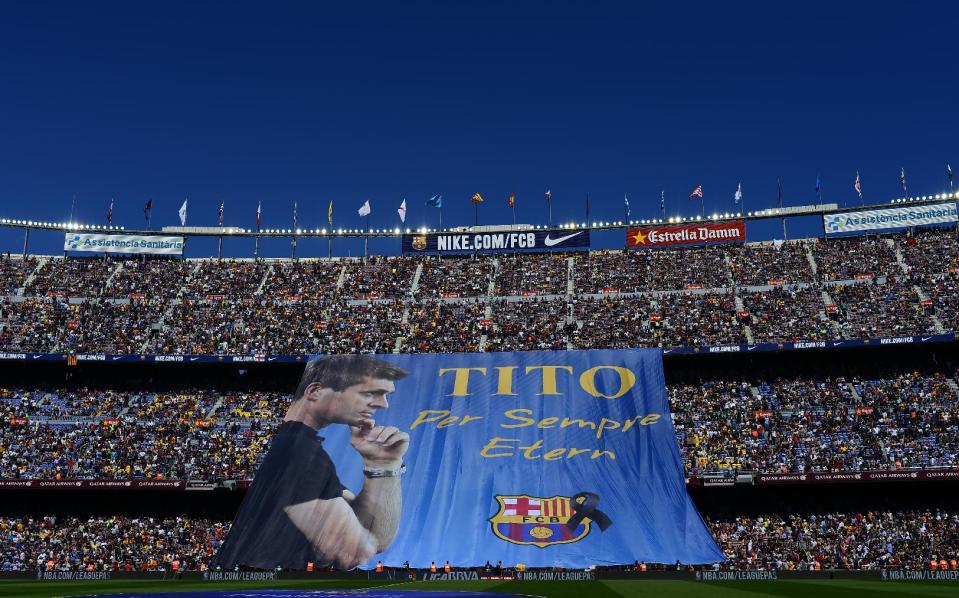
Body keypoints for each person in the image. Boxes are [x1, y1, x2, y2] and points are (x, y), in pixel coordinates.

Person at [215, 355, 410, 570]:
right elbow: (353, 553)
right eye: (370, 393)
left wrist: (382, 464)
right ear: (315, 391)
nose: (383, 405)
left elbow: (375, 538)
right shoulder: (298, 452)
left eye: (385, 395)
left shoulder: (298, 446)